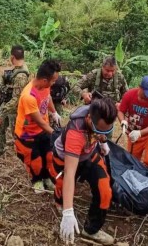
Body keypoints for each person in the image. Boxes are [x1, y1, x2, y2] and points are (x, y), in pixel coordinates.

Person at [49, 98, 117, 245]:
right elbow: (70, 172)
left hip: (89, 154)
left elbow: (101, 130)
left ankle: (91, 229)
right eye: (99, 130)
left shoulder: (99, 113)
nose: (102, 132)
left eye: (107, 130)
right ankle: (60, 203)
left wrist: (103, 141)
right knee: (63, 188)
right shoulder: (76, 133)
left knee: (105, 190)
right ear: (88, 119)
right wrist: (68, 212)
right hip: (65, 160)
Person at [14, 60, 61, 192]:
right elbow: (39, 121)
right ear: (45, 80)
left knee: (48, 156)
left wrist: (54, 112)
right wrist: (55, 133)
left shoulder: (45, 86)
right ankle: (37, 181)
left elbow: (48, 98)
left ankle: (46, 178)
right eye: (53, 81)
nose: (54, 83)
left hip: (42, 129)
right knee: (34, 160)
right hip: (28, 133)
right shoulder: (28, 96)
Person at [117, 75, 148, 169]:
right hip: (132, 134)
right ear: (140, 88)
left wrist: (140, 133)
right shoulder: (129, 95)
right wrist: (123, 122)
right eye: (146, 93)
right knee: (131, 162)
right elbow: (120, 111)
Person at [0, 45, 29, 157]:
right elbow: (5, 83)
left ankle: (23, 154)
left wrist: (2, 113)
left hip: (14, 108)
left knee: (17, 133)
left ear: (12, 57)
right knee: (0, 129)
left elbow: (16, 98)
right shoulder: (14, 69)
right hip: (5, 103)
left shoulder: (21, 75)